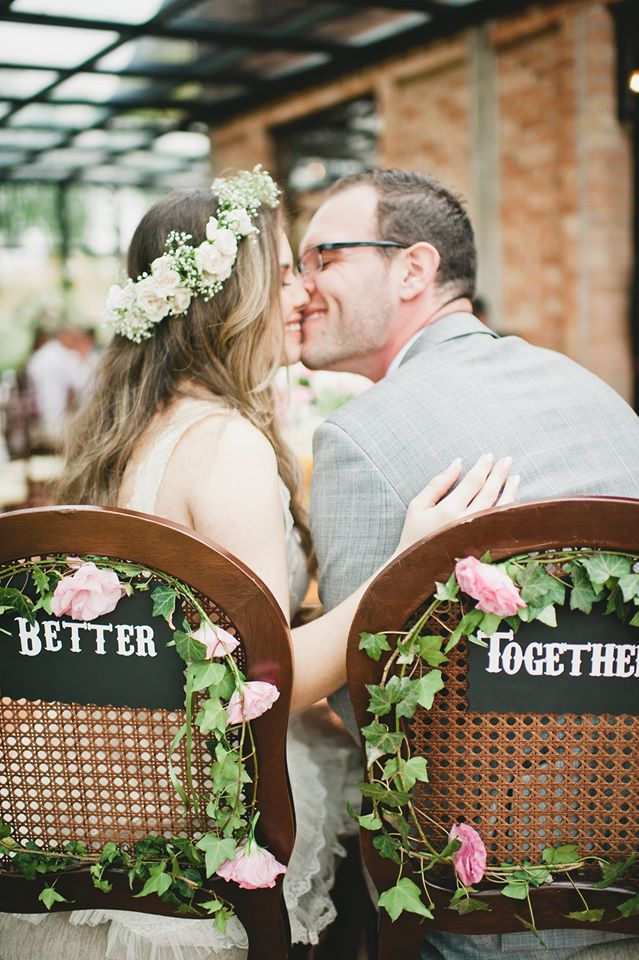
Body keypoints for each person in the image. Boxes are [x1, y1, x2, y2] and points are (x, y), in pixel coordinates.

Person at [0, 168, 515, 960]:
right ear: (229, 299)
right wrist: (408, 563)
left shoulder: (131, 430)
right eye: (280, 275)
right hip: (198, 806)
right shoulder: (224, 444)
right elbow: (263, 682)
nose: (303, 293)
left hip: (101, 788)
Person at [297, 168, 639, 960]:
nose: (302, 285)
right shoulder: (600, 399)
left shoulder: (357, 439)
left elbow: (370, 701)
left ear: (412, 269)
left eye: (324, 258)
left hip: (490, 894)